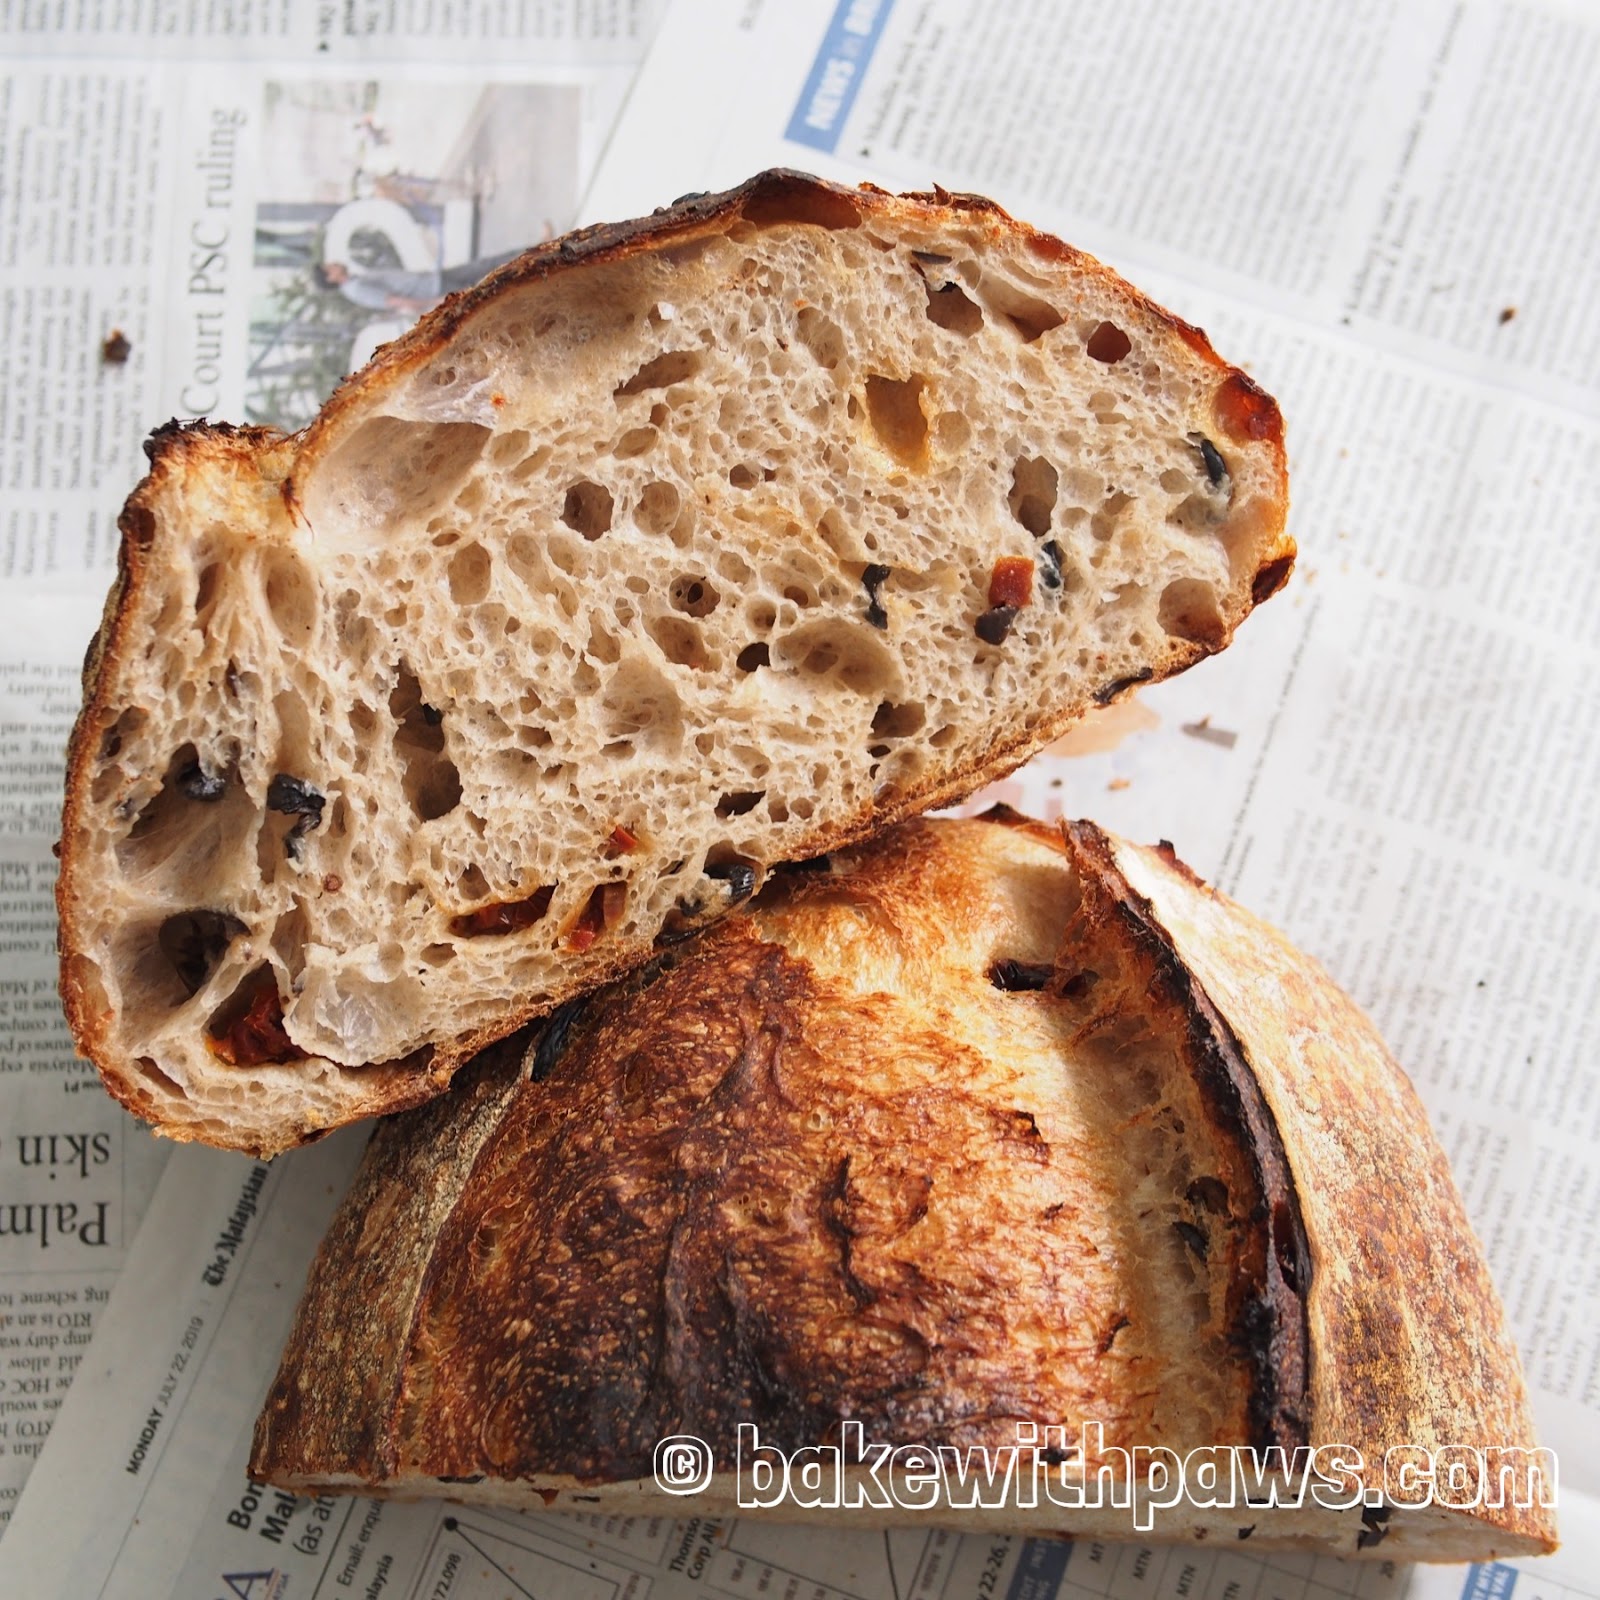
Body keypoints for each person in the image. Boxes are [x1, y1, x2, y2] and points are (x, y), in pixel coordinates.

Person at [314, 249, 527, 316]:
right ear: (330, 277)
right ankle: (535, 256)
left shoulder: (356, 281)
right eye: (329, 267)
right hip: (435, 289)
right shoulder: (357, 289)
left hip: (433, 280)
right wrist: (437, 300)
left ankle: (535, 249)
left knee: (486, 267)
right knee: (493, 279)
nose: (334, 264)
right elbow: (396, 301)